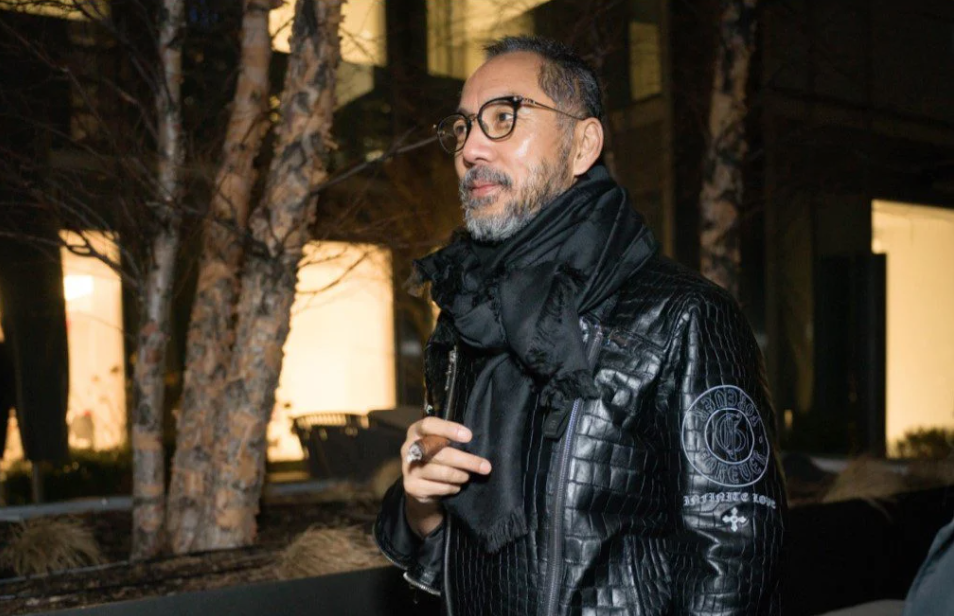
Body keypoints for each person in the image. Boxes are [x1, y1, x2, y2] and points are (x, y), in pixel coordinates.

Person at [375, 35, 786, 616]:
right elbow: (463, 555)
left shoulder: (683, 314)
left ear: (583, 145)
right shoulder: (466, 313)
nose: (471, 148)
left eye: (503, 117)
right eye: (463, 127)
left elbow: (735, 562)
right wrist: (421, 505)